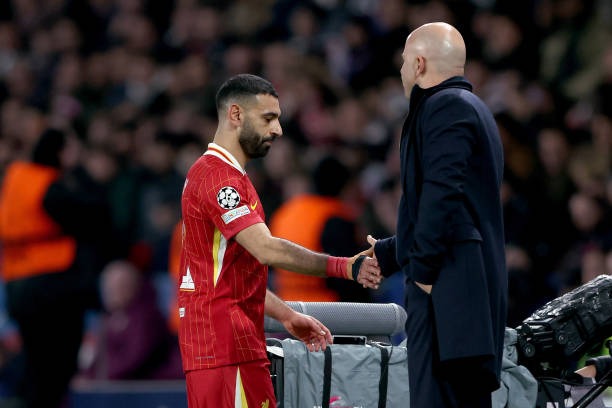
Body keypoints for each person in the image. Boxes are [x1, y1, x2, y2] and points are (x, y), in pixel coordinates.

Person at [178, 73, 381, 408]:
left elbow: (233, 273)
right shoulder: (219, 178)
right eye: (268, 118)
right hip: (226, 350)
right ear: (236, 114)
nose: (278, 129)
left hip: (225, 348)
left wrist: (285, 315)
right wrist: (345, 266)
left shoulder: (219, 175)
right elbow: (266, 248)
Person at [367, 22, 507, 408]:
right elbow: (459, 208)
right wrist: (389, 253)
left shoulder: (446, 106)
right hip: (458, 287)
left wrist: (424, 274)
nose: (401, 71)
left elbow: (442, 196)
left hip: (448, 293)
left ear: (419, 64)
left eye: (403, 62)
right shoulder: (470, 106)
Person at [0, 128, 115, 408]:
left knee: (35, 363)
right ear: (62, 153)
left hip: (18, 280)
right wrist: (87, 175)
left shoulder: (17, 176)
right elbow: (96, 216)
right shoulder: (50, 186)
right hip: (51, 286)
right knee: (55, 367)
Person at [269, 155, 371, 302]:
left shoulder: (285, 213)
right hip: (327, 307)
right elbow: (350, 277)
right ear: (344, 186)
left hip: (287, 303)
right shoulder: (336, 220)